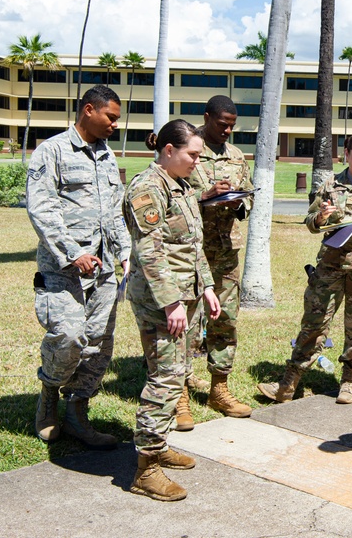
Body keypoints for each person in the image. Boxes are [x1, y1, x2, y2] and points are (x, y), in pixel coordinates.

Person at [258, 133, 352, 405]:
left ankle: (348, 380)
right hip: (329, 267)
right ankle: (288, 383)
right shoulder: (330, 185)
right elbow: (311, 222)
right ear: (345, 154)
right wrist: (321, 216)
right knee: (313, 323)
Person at [26, 84, 130, 450]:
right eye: (111, 118)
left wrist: (126, 253)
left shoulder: (106, 156)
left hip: (102, 272)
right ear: (89, 110)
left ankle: (77, 412)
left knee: (98, 345)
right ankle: (49, 395)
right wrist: (72, 253)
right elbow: (42, 208)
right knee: (70, 336)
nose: (115, 125)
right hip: (64, 270)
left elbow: (115, 212)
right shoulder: (52, 151)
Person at [125, 120, 221, 502]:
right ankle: (145, 468)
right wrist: (170, 301)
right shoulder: (147, 188)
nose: (197, 162)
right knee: (165, 377)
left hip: (185, 295)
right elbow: (149, 251)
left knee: (177, 371)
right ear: (168, 150)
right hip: (160, 301)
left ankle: (159, 443)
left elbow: (192, 244)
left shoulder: (179, 186)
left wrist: (209, 287)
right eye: (192, 154)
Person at [178, 95, 254, 429]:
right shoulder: (187, 147)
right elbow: (171, 194)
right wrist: (204, 197)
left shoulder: (236, 155)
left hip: (226, 251)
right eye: (221, 123)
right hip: (192, 251)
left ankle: (218, 388)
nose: (226, 130)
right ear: (206, 117)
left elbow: (248, 192)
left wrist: (240, 203)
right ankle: (179, 394)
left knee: (226, 319)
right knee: (186, 322)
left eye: (231, 126)